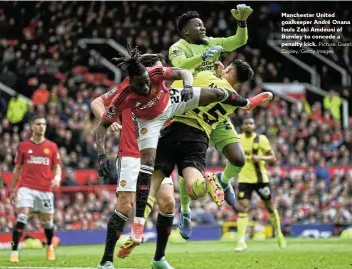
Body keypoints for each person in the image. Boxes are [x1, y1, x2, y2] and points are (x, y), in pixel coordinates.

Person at [96, 43, 268, 246]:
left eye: (147, 82)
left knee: (214, 94)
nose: (145, 88)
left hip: (171, 105)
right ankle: (138, 227)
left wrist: (187, 88)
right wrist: (101, 155)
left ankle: (246, 104)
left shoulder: (157, 72)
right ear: (129, 83)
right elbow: (101, 126)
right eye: (139, 85)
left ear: (150, 74)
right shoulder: (122, 95)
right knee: (148, 165)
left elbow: (185, 72)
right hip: (150, 123)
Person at [168, 6, 256, 239]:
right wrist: (202, 58)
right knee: (188, 166)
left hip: (214, 107)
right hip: (189, 108)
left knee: (238, 158)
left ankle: (223, 180)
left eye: (203, 24)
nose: (203, 27)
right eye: (197, 25)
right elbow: (180, 68)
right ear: (185, 31)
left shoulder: (211, 42)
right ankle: (185, 212)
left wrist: (242, 23)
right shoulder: (178, 48)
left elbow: (238, 42)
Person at [92, 54, 177, 269]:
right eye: (155, 70)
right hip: (130, 152)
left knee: (168, 202)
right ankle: (106, 260)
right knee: (125, 205)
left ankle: (159, 259)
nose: (158, 76)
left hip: (155, 154)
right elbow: (96, 102)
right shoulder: (126, 89)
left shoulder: (160, 88)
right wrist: (107, 120)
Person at [9, 115, 61, 263]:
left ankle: (50, 246)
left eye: (44, 124)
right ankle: (14, 251)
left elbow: (57, 166)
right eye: (38, 124)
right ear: (32, 126)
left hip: (45, 189)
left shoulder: (51, 146)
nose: (41, 127)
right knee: (22, 217)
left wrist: (57, 178)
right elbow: (17, 169)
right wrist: (13, 190)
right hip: (26, 188)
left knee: (48, 223)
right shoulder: (23, 146)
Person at [235, 117, 286, 251]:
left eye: (251, 123)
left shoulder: (261, 139)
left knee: (269, 207)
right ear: (243, 126)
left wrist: (260, 157)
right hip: (244, 180)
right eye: (246, 123)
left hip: (261, 180)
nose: (248, 125)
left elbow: (272, 157)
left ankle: (279, 233)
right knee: (243, 209)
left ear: (254, 126)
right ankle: (241, 241)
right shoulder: (237, 139)